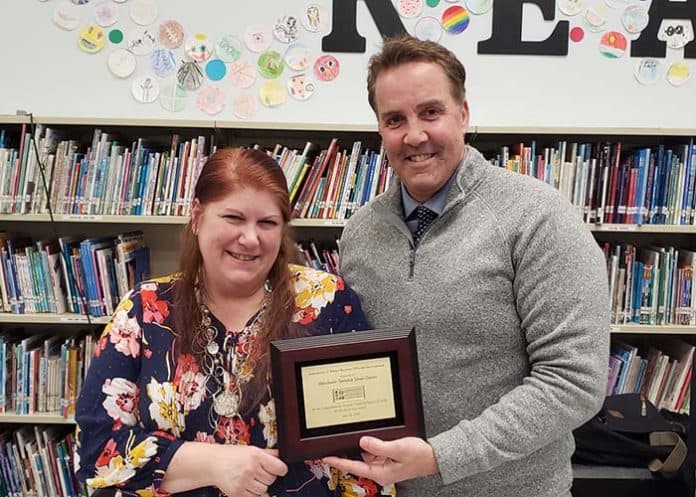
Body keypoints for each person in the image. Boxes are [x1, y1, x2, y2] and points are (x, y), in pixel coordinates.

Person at [323, 35, 610, 497]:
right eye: (395, 119)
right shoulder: (360, 232)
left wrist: (441, 457)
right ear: (379, 129)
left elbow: (573, 381)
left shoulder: (537, 216)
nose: (414, 135)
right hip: (392, 490)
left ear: (464, 114)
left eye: (430, 112)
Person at [75, 148, 395, 497]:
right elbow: (96, 449)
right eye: (233, 218)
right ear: (197, 216)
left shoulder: (326, 301)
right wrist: (214, 464)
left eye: (268, 223)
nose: (250, 238)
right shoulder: (145, 308)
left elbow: (368, 446)